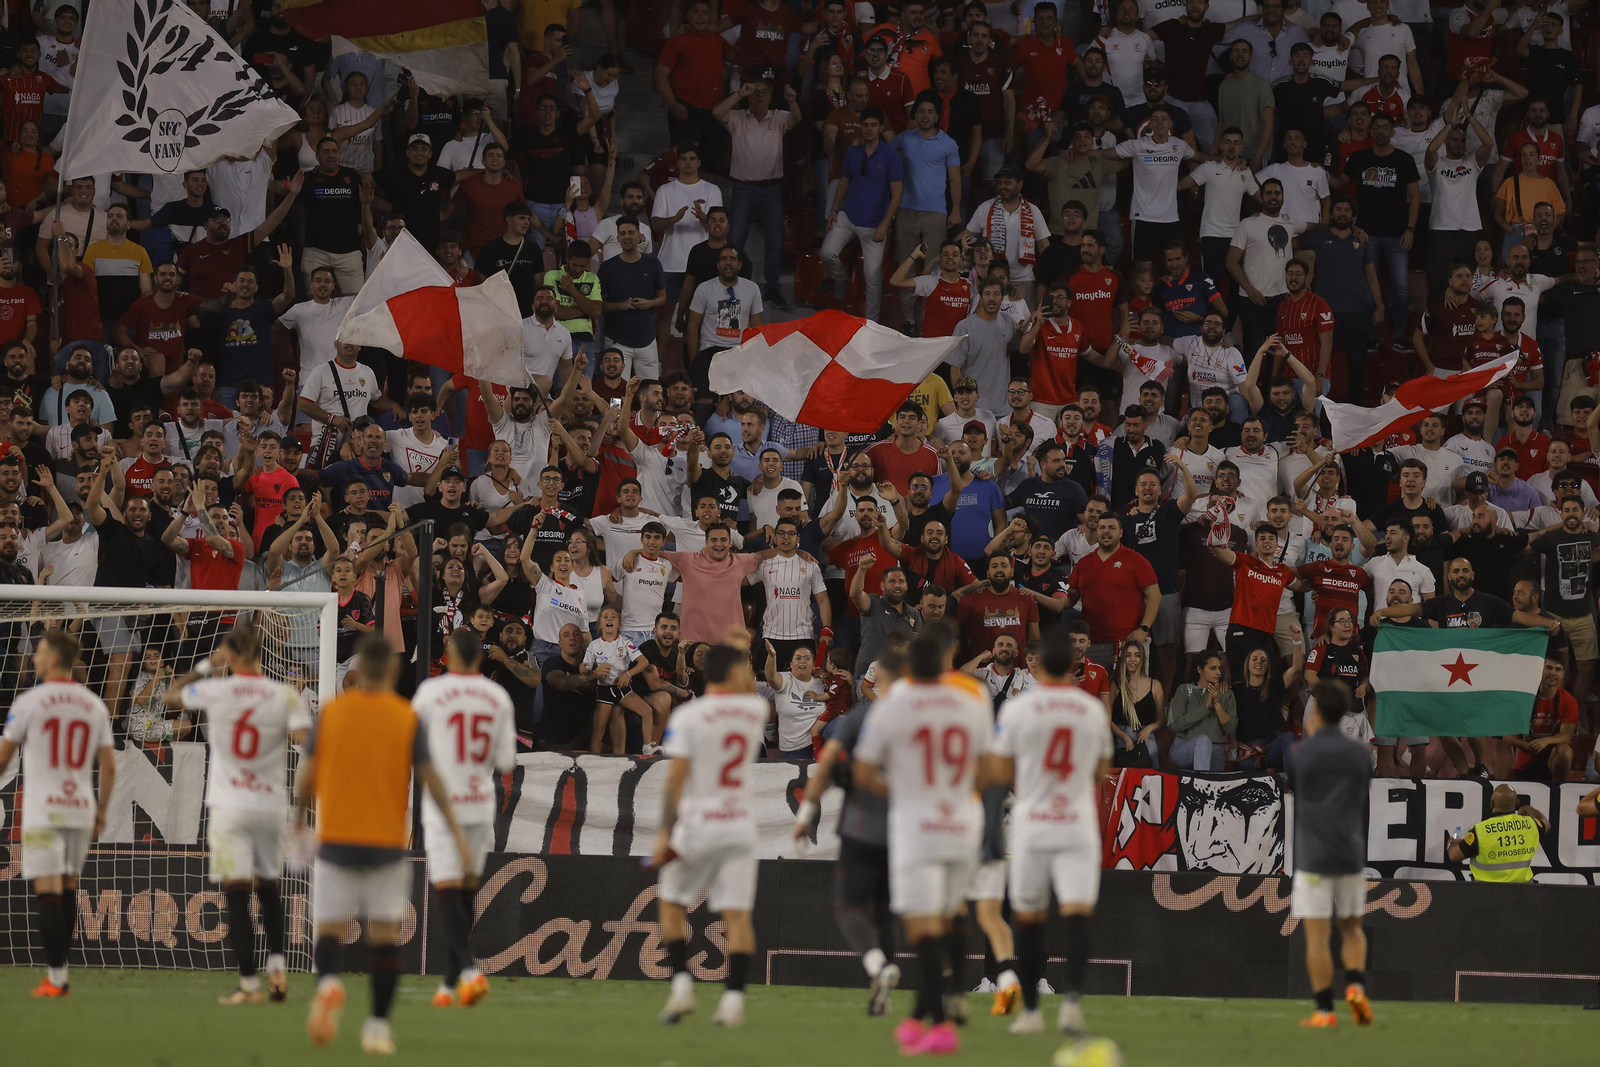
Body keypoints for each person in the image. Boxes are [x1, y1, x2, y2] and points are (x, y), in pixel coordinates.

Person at [294, 635, 471, 1054]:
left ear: (355, 674)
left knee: (330, 930)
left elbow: (306, 777)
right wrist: (458, 834)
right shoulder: (407, 718)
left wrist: (298, 822)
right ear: (393, 671)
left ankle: (330, 985)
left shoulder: (331, 714)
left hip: (335, 840)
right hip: (386, 844)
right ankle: (376, 1027)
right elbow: (433, 782)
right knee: (386, 938)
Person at [853, 627, 991, 1055]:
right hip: (963, 821)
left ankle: (940, 1026)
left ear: (910, 663)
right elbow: (991, 767)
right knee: (953, 913)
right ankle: (928, 1010)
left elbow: (862, 772)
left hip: (916, 825)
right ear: (949, 656)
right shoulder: (975, 696)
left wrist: (902, 792)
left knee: (922, 927)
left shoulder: (896, 701)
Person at [167, 627, 310, 1004]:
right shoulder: (285, 695)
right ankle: (277, 964)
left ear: (229, 653)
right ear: (260, 652)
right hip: (268, 805)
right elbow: (307, 744)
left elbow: (170, 697)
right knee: (269, 889)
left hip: (229, 807)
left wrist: (206, 664)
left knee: (237, 896)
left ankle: (248, 985)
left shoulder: (217, 690)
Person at [981, 627, 1110, 1037]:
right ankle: (1071, 1006)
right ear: (1073, 666)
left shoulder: (1018, 710)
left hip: (1032, 823)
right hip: (1075, 822)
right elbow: (1100, 771)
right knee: (1075, 917)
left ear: (1037, 664)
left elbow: (1000, 773)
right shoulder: (1090, 710)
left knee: (1029, 918)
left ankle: (1032, 1013)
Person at [654, 636, 766, 1028]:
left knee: (670, 903)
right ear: (738, 672)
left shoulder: (689, 717)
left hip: (699, 825)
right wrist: (742, 650)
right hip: (738, 826)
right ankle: (733, 1002)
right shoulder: (753, 711)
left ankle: (682, 986)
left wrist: (662, 835)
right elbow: (750, 689)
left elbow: (674, 782)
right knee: (738, 918)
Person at [0, 631, 115, 998]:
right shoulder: (93, 704)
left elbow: (3, 757)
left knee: (48, 892)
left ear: (52, 660)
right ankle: (61, 974)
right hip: (80, 807)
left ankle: (56, 977)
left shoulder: (30, 701)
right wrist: (102, 809)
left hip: (44, 809)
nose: (33, 657)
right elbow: (109, 766)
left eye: (39, 653)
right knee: (68, 888)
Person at [792, 645, 901, 1014]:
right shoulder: (921, 722)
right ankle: (883, 989)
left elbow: (823, 767)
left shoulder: (861, 719)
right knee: (885, 910)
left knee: (850, 906)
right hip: (903, 833)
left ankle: (877, 965)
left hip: (859, 829)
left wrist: (806, 813)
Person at [409, 629, 515, 1006]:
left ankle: (467, 970)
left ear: (449, 653)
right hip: (480, 803)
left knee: (447, 892)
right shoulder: (497, 696)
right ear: (480, 657)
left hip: (443, 803)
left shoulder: (431, 693)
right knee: (466, 892)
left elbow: (412, 744)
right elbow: (506, 760)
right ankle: (452, 982)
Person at [1289, 679, 1374, 1029]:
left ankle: (1325, 1011)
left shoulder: (1300, 754)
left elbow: (1300, 790)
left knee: (1318, 937)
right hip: (1350, 852)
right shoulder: (1359, 755)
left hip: (1313, 855)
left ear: (1318, 711)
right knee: (1353, 929)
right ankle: (1355, 986)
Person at [1447, 782, 1550, 884]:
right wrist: (1528, 808)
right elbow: (1546, 823)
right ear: (1516, 802)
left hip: (1489, 894)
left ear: (1491, 802)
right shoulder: (1532, 825)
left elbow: (1453, 856)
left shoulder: (1480, 831)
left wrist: (1452, 843)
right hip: (1524, 892)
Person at [1167, 649, 1234, 770]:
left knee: (1216, 784)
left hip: (1216, 749)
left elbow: (1230, 728)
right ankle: (1200, 786)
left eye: (1219, 668)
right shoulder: (1184, 690)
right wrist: (1205, 707)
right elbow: (1176, 724)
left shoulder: (1226, 693)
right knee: (1203, 741)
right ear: (1200, 670)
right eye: (1213, 668)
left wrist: (1217, 703)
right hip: (1184, 747)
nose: (1218, 672)